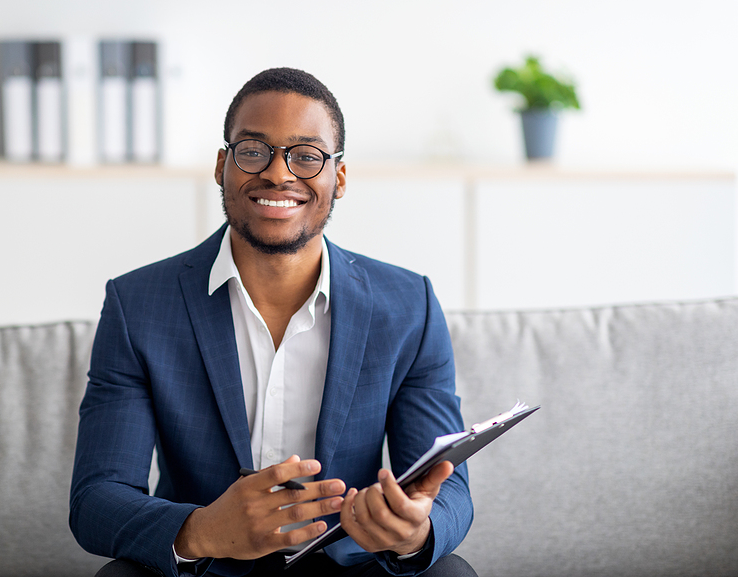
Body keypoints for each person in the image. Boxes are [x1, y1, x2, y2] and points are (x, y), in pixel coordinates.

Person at [70, 68, 476, 577]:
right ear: (222, 166)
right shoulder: (138, 304)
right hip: (208, 565)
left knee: (449, 573)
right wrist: (202, 529)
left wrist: (413, 530)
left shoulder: (407, 304)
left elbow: (450, 490)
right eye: (254, 151)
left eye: (306, 156)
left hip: (350, 565)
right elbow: (97, 497)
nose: (279, 175)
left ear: (339, 177)